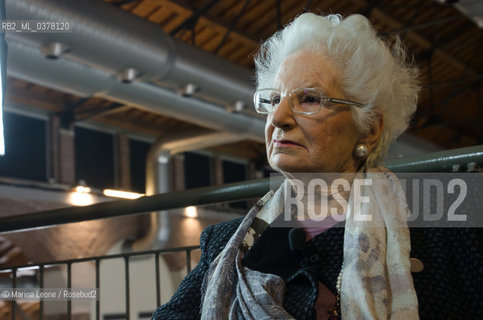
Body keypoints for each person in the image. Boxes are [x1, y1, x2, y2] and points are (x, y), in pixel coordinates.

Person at [152, 13, 483, 320]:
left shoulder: (448, 213)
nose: (279, 118)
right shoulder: (228, 245)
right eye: (274, 100)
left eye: (309, 99)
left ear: (369, 127)